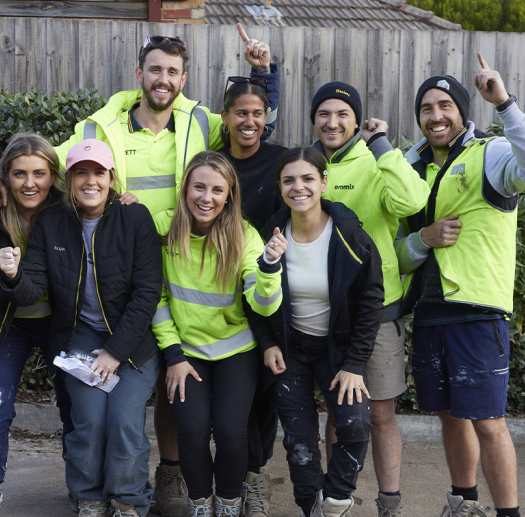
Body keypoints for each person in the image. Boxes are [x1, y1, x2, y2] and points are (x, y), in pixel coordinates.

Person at [54, 25, 280, 516]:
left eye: (173, 72)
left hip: (190, 256)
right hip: (138, 263)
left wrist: (265, 74)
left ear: (183, 78)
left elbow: (253, 125)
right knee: (155, 392)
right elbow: (58, 167)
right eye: (155, 70)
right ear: (140, 74)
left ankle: (178, 479)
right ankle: (155, 480)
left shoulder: (201, 121)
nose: (163, 79)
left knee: (176, 392)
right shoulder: (102, 126)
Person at [395, 56, 525, 517]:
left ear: (463, 111)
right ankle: (462, 504)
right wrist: (421, 240)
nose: (435, 115)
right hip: (428, 312)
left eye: (445, 105)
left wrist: (504, 103)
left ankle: (508, 514)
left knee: (488, 423)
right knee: (449, 416)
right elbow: (399, 255)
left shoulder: (494, 153)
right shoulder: (411, 166)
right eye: (426, 108)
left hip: (477, 313)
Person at [0, 139, 163, 517]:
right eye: (81, 173)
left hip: (132, 341)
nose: (91, 181)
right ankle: (88, 498)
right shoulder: (52, 222)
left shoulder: (134, 218)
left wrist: (115, 352)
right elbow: (33, 287)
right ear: (69, 179)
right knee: (88, 421)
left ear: (111, 178)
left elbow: (147, 293)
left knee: (123, 423)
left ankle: (128, 499)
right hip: (78, 338)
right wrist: (11, 274)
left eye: (98, 173)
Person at [307, 80, 430, 516]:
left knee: (379, 415)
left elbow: (413, 198)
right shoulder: (309, 168)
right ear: (314, 120)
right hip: (320, 311)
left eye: (342, 114)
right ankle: (337, 496)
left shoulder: (377, 162)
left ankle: (389, 502)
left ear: (356, 121)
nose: (333, 122)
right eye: (324, 113)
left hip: (373, 314)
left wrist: (381, 145)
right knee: (338, 414)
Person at [153, 151, 285, 517]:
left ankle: (228, 502)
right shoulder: (163, 229)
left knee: (230, 431)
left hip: (236, 350)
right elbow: (158, 298)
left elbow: (264, 304)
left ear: (229, 195)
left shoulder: (245, 235)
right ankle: (200, 503)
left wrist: (269, 267)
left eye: (216, 190)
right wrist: (173, 356)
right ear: (185, 189)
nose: (206, 198)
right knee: (192, 431)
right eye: (199, 187)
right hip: (186, 352)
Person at [0, 133, 72, 517]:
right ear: (6, 175)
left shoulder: (69, 214)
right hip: (8, 327)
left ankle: (84, 487)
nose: (30, 183)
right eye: (20, 174)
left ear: (53, 175)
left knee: (77, 404)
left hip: (61, 325)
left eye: (40, 173)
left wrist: (123, 201)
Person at [260, 147, 383, 517]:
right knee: (299, 442)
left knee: (355, 422)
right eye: (289, 180)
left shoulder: (350, 235)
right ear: (280, 186)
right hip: (290, 349)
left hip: (338, 351)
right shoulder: (270, 233)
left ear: (324, 182)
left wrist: (355, 364)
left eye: (308, 178)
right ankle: (308, 506)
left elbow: (371, 300)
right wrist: (267, 343)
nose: (299, 187)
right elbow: (251, 294)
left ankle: (337, 499)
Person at [217, 79, 288, 516]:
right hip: (220, 291)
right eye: (240, 113)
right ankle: (229, 477)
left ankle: (255, 477)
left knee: (266, 390)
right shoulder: (213, 164)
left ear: (268, 118)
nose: (249, 121)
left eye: (257, 113)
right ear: (224, 118)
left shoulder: (281, 161)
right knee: (232, 399)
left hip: (269, 285)